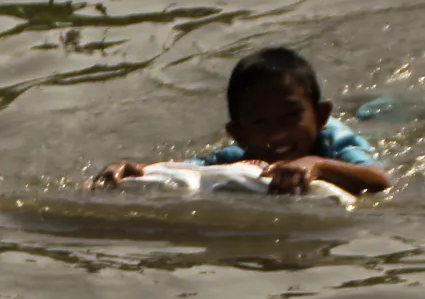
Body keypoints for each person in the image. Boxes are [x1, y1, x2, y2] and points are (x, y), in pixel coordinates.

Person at [95, 47, 392, 197]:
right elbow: (188, 170)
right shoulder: (240, 156)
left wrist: (316, 164)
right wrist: (133, 170)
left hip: (378, 125)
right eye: (259, 122)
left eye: (291, 115)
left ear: (321, 115)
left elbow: (379, 179)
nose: (277, 132)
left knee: (383, 111)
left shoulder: (334, 141)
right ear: (238, 133)